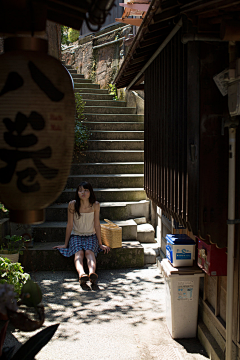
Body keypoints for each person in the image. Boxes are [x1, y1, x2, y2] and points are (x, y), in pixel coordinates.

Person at [53, 181, 110, 286]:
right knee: (79, 253)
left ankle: (92, 273)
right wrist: (65, 244)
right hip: (76, 235)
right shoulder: (72, 205)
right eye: (80, 190)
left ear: (90, 192)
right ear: (77, 193)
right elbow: (70, 225)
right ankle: (82, 274)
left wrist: (100, 243)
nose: (83, 192)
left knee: (89, 252)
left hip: (91, 235)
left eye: (86, 190)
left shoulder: (95, 205)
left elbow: (97, 225)